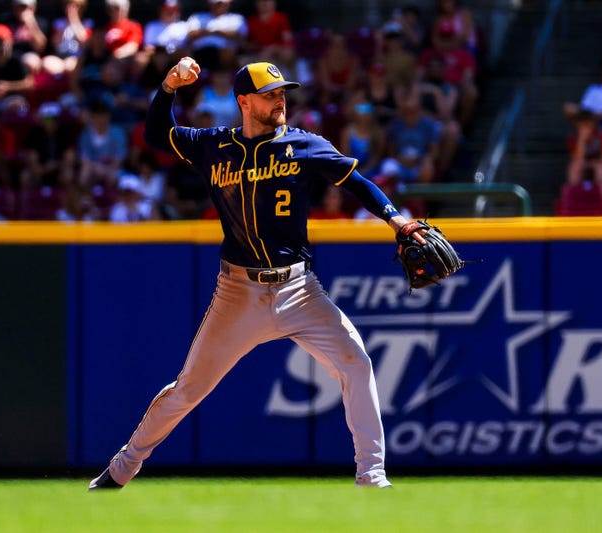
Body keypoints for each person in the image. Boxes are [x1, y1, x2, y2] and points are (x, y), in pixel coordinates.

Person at [87, 58, 425, 490]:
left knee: (355, 363)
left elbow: (356, 181)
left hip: (300, 290)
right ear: (244, 102)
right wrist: (169, 87)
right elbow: (157, 134)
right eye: (270, 95)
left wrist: (397, 220)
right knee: (188, 389)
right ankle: (121, 469)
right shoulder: (213, 145)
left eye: (282, 93)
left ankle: (372, 474)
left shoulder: (304, 145)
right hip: (238, 293)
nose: (280, 100)